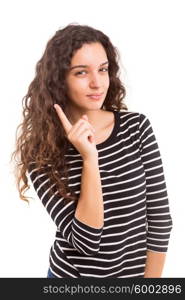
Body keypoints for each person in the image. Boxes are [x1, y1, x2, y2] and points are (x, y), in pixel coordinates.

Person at [12, 23, 173, 278]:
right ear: (58, 80)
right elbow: (87, 243)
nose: (97, 83)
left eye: (103, 69)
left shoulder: (136, 128)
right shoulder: (42, 153)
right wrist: (89, 158)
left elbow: (160, 220)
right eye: (81, 73)